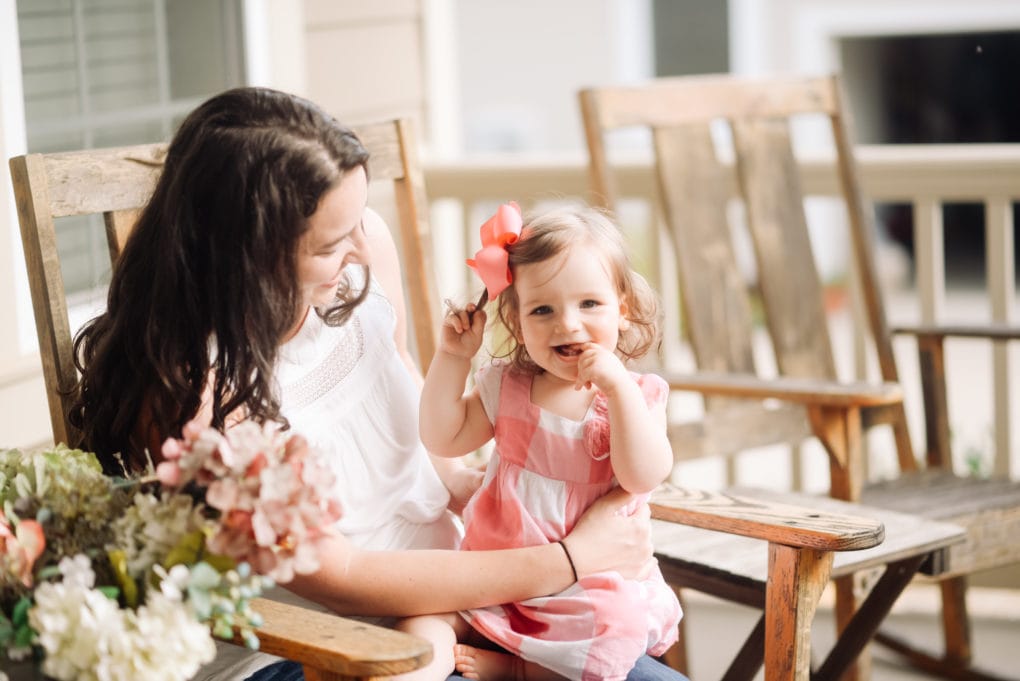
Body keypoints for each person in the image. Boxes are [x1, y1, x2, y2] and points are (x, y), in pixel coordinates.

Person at [67, 86, 686, 681]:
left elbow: (404, 421)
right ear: (252, 256)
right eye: (334, 243)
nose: (360, 251)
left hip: (477, 599)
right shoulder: (192, 386)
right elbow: (339, 576)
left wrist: (504, 490)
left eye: (359, 220)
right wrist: (565, 560)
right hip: (331, 648)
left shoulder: (363, 254)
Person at [402, 203, 682, 681]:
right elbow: (442, 437)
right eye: (543, 309)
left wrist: (616, 390)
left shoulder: (635, 396)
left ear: (623, 309)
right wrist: (452, 358)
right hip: (500, 571)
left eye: (589, 304)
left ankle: (519, 671)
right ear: (517, 323)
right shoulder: (506, 386)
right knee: (421, 623)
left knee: (611, 641)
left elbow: (644, 475)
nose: (567, 323)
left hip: (587, 584)